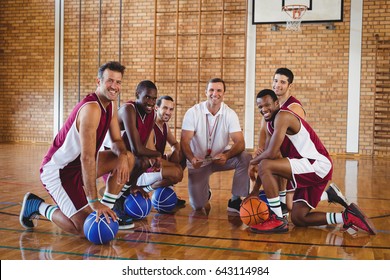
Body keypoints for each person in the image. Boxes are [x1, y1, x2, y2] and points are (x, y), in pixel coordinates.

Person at [19, 61, 135, 235]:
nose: (114, 86)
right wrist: (94, 201)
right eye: (110, 81)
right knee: (83, 229)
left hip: (78, 168)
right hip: (59, 171)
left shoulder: (110, 106)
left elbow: (117, 140)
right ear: (99, 82)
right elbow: (87, 158)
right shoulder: (91, 109)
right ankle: (36, 205)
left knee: (128, 157)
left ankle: (107, 211)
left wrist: (123, 157)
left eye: (118, 82)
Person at [248, 89, 377, 235]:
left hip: (316, 164)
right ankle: (346, 216)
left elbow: (269, 156)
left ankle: (277, 219)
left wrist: (252, 162)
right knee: (298, 218)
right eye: (260, 107)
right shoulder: (270, 123)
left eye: (267, 105)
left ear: (277, 103)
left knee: (266, 165)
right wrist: (254, 190)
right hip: (306, 165)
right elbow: (270, 157)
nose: (264, 109)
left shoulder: (282, 116)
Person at [250, 68, 348, 215]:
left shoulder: (292, 109)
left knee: (288, 202)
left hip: (305, 160)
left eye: (282, 82)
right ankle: (330, 198)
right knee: (297, 215)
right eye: (275, 81)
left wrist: (255, 164)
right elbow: (265, 135)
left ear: (290, 86)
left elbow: (278, 149)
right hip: (293, 160)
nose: (278, 85)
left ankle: (279, 215)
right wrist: (259, 152)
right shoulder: (270, 110)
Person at [180, 78, 251, 213]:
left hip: (219, 159)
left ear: (224, 93)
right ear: (206, 92)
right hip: (198, 162)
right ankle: (204, 192)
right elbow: (184, 141)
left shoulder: (230, 114)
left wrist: (227, 155)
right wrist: (191, 158)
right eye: (211, 90)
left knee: (245, 157)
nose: (215, 93)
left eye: (219, 90)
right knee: (198, 206)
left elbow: (240, 143)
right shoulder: (193, 112)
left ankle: (235, 200)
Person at [136, 95, 185, 205]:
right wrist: (175, 167)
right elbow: (153, 160)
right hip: (143, 170)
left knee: (182, 154)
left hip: (155, 164)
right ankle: (146, 189)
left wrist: (177, 153)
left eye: (171, 109)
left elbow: (175, 144)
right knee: (177, 173)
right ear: (156, 108)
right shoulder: (150, 127)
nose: (168, 112)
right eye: (165, 108)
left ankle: (168, 188)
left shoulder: (164, 126)